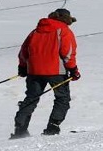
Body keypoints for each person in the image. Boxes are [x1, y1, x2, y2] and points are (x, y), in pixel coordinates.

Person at [11, 8, 81, 139]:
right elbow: (68, 53)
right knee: (62, 98)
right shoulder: (64, 30)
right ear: (66, 19)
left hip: (34, 71)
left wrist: (22, 67)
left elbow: (23, 51)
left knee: (31, 98)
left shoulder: (35, 31)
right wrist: (73, 69)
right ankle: (52, 127)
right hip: (56, 71)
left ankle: (20, 129)